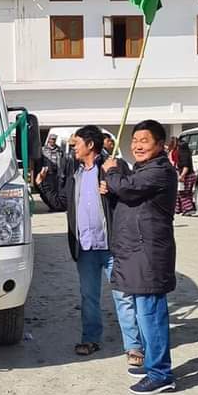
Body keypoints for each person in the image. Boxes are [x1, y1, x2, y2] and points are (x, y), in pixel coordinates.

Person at [36, 125, 144, 366]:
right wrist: (42, 185)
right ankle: (90, 338)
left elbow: (132, 197)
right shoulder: (74, 173)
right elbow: (60, 201)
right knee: (88, 297)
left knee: (123, 296)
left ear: (90, 145)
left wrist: (113, 188)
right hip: (84, 248)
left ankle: (134, 345)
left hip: (112, 247)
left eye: (77, 143)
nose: (73, 147)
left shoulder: (113, 167)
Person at [102, 120, 178, 394]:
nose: (137, 145)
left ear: (161, 145)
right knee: (144, 313)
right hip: (136, 253)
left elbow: (128, 190)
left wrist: (112, 175)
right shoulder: (141, 170)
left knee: (151, 314)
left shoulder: (160, 171)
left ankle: (161, 374)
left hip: (149, 255)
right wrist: (112, 190)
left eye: (144, 140)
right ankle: (154, 366)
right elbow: (127, 197)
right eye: (135, 140)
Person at [175, 141, 198, 216]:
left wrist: (182, 176)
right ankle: (180, 209)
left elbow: (186, 167)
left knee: (183, 193)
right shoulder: (188, 154)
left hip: (186, 176)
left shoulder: (183, 155)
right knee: (184, 193)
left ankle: (188, 209)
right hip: (191, 175)